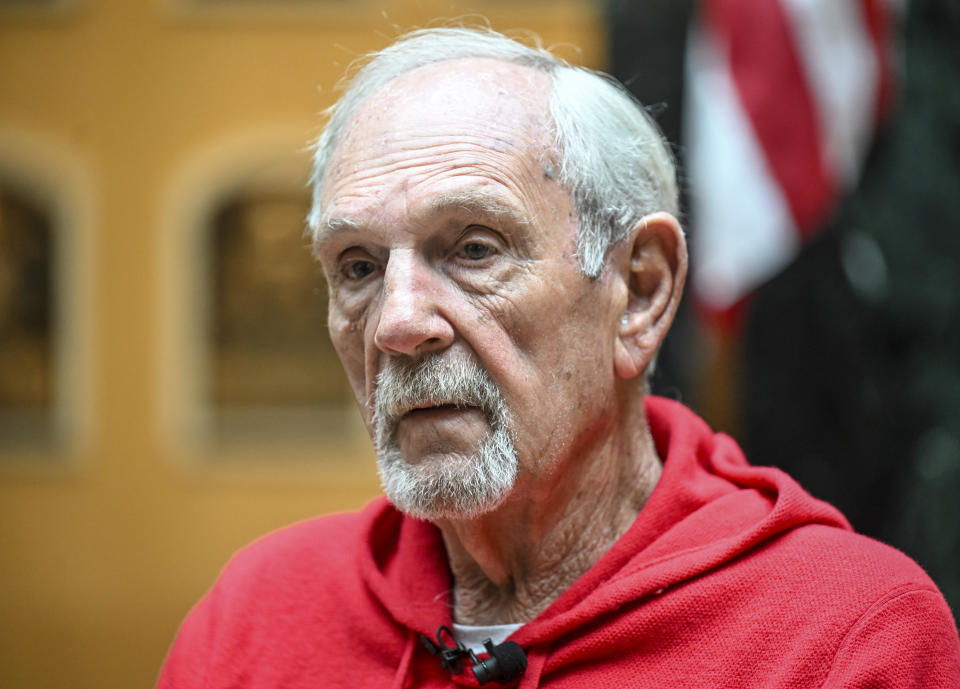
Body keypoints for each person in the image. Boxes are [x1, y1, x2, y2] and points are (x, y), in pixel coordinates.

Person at [157, 26, 960, 688]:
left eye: (473, 248)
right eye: (359, 267)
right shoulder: (255, 618)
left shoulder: (846, 635)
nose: (396, 324)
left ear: (639, 292)